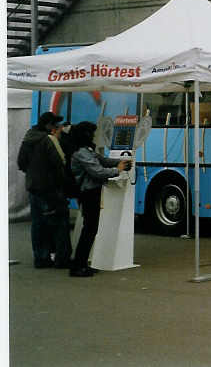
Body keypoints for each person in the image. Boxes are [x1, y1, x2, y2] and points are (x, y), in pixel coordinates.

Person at [69, 121, 131, 277]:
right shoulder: (82, 152)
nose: (95, 136)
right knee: (89, 229)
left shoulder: (86, 150)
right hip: (88, 193)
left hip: (91, 192)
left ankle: (81, 264)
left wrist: (118, 162)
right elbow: (97, 171)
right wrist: (117, 169)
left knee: (90, 229)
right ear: (86, 135)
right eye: (92, 133)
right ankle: (78, 266)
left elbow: (102, 160)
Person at [16, 111, 71, 268]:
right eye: (56, 124)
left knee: (38, 224)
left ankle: (41, 258)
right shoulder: (49, 140)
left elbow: (21, 163)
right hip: (49, 187)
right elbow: (59, 164)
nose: (58, 127)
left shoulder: (28, 138)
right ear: (48, 126)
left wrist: (33, 173)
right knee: (59, 223)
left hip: (33, 186)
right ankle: (62, 259)